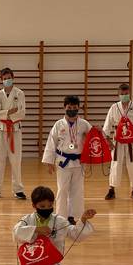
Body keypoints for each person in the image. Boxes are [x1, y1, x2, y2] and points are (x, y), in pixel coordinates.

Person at [11, 186, 97, 265]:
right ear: (34, 205)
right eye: (42, 206)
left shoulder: (59, 221)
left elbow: (75, 234)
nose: (47, 209)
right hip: (30, 261)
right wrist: (36, 229)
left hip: (49, 263)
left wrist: (83, 219)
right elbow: (16, 232)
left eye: (50, 205)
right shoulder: (27, 220)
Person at [42, 96, 94, 224]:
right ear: (64, 107)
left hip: (78, 162)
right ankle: (60, 217)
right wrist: (49, 162)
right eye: (69, 108)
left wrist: (98, 132)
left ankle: (73, 216)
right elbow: (51, 142)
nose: (72, 110)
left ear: (78, 108)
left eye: (74, 108)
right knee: (62, 189)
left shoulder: (84, 124)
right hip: (63, 161)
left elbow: (94, 138)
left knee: (77, 190)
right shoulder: (58, 125)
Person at [103, 83, 133, 200]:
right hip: (117, 141)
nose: (124, 96)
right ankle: (111, 189)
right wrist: (108, 140)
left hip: (132, 140)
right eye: (122, 94)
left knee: (132, 164)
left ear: (129, 93)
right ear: (119, 94)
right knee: (115, 164)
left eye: (126, 94)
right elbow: (108, 124)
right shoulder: (114, 107)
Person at [0, 67, 26, 200]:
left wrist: (5, 113)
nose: (7, 80)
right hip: (1, 129)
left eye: (9, 78)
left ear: (13, 78)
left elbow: (22, 112)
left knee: (16, 160)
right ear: (1, 80)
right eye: (4, 79)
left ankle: (18, 189)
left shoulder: (19, 93)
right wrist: (10, 112)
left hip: (15, 130)